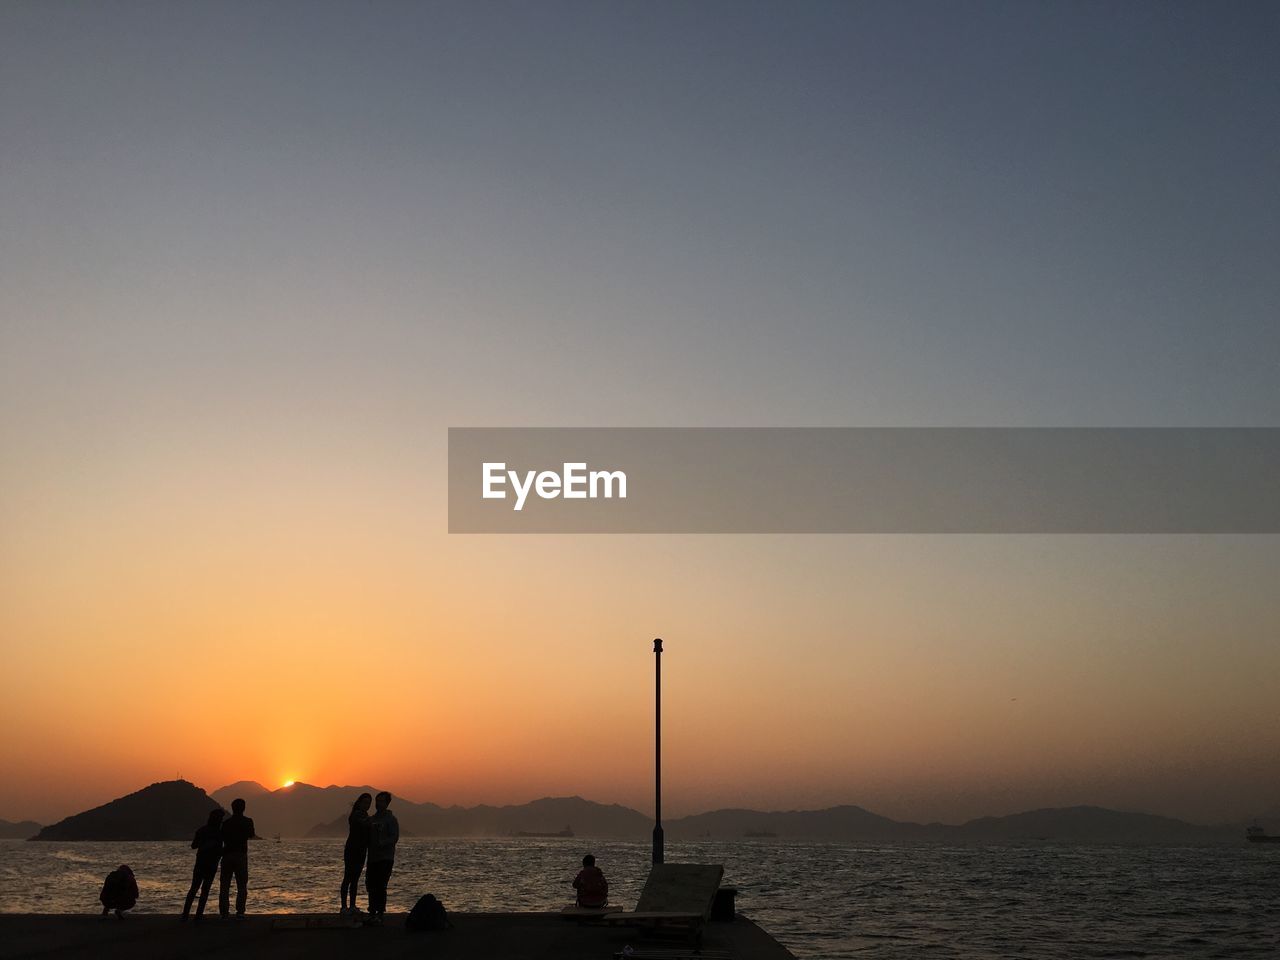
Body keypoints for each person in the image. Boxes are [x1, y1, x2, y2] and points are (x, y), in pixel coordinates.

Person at [182, 808, 225, 921]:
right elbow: (220, 849)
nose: (221, 821)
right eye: (220, 819)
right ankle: (198, 915)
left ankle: (185, 915)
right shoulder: (219, 833)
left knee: (194, 888)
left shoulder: (202, 830)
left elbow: (193, 845)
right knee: (204, 889)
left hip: (201, 862)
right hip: (210, 864)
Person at [363, 791, 399, 926]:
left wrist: (382, 843)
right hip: (372, 858)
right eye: (377, 801)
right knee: (370, 885)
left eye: (382, 801)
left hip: (386, 858)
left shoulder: (391, 820)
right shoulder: (371, 819)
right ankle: (372, 912)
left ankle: (380, 914)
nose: (378, 804)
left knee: (381, 885)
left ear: (387, 803)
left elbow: (394, 838)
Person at [218, 797, 257, 919]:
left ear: (232, 808)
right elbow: (251, 834)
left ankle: (224, 913)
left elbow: (222, 837)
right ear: (243, 808)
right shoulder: (248, 821)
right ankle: (240, 912)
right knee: (241, 885)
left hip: (227, 854)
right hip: (240, 855)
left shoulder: (226, 823)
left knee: (224, 885)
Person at [340, 792, 372, 913]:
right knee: (348, 877)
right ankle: (344, 906)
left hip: (362, 850)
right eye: (365, 802)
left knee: (355, 879)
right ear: (359, 802)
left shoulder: (365, 815)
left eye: (369, 803)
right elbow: (363, 823)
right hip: (352, 849)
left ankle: (352, 905)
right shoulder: (356, 815)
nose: (367, 805)